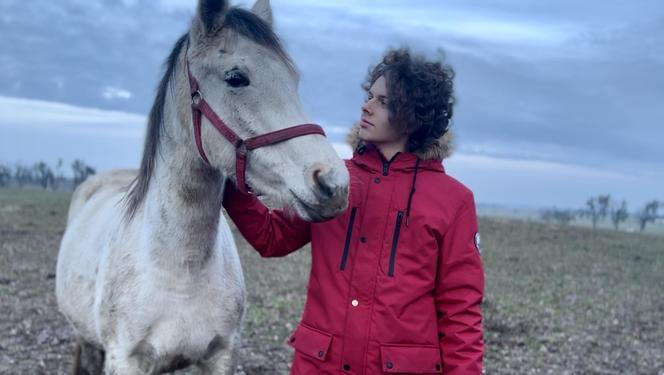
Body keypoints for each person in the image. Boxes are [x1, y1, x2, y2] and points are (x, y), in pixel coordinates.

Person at [223, 48, 484, 374]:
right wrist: (226, 176)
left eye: (383, 102)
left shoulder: (453, 201)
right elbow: (272, 238)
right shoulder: (333, 180)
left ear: (414, 115)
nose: (366, 106)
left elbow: (460, 311)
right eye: (369, 96)